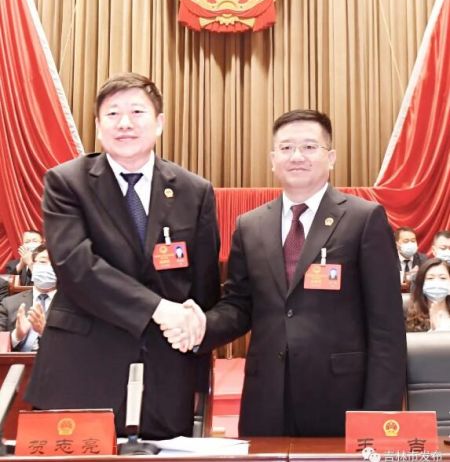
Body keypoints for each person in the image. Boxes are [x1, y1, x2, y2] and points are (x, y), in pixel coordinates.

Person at [169, 109, 406, 437]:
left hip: (341, 398)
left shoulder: (364, 219)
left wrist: (380, 415)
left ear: (331, 157)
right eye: (286, 148)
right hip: (266, 398)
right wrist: (201, 326)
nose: (297, 156)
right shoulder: (250, 225)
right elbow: (240, 305)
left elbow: (387, 327)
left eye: (309, 147)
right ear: (272, 159)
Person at [25, 73, 221, 439]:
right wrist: (158, 308)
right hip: (80, 369)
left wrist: (196, 374)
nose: (125, 123)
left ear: (159, 122)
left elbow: (203, 289)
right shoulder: (67, 182)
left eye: (137, 112)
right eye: (112, 114)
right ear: (98, 126)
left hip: (164, 377)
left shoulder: (194, 191)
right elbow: (76, 267)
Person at [0, 244, 56, 351]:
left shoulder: (73, 305)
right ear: (32, 266)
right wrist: (17, 336)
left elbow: (79, 346)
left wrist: (45, 333)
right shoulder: (9, 303)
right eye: (43, 262)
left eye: (54, 263)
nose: (48, 267)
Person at [405, 258, 450, 332]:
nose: (437, 283)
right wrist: (433, 329)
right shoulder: (407, 315)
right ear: (421, 284)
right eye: (430, 278)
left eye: (443, 278)